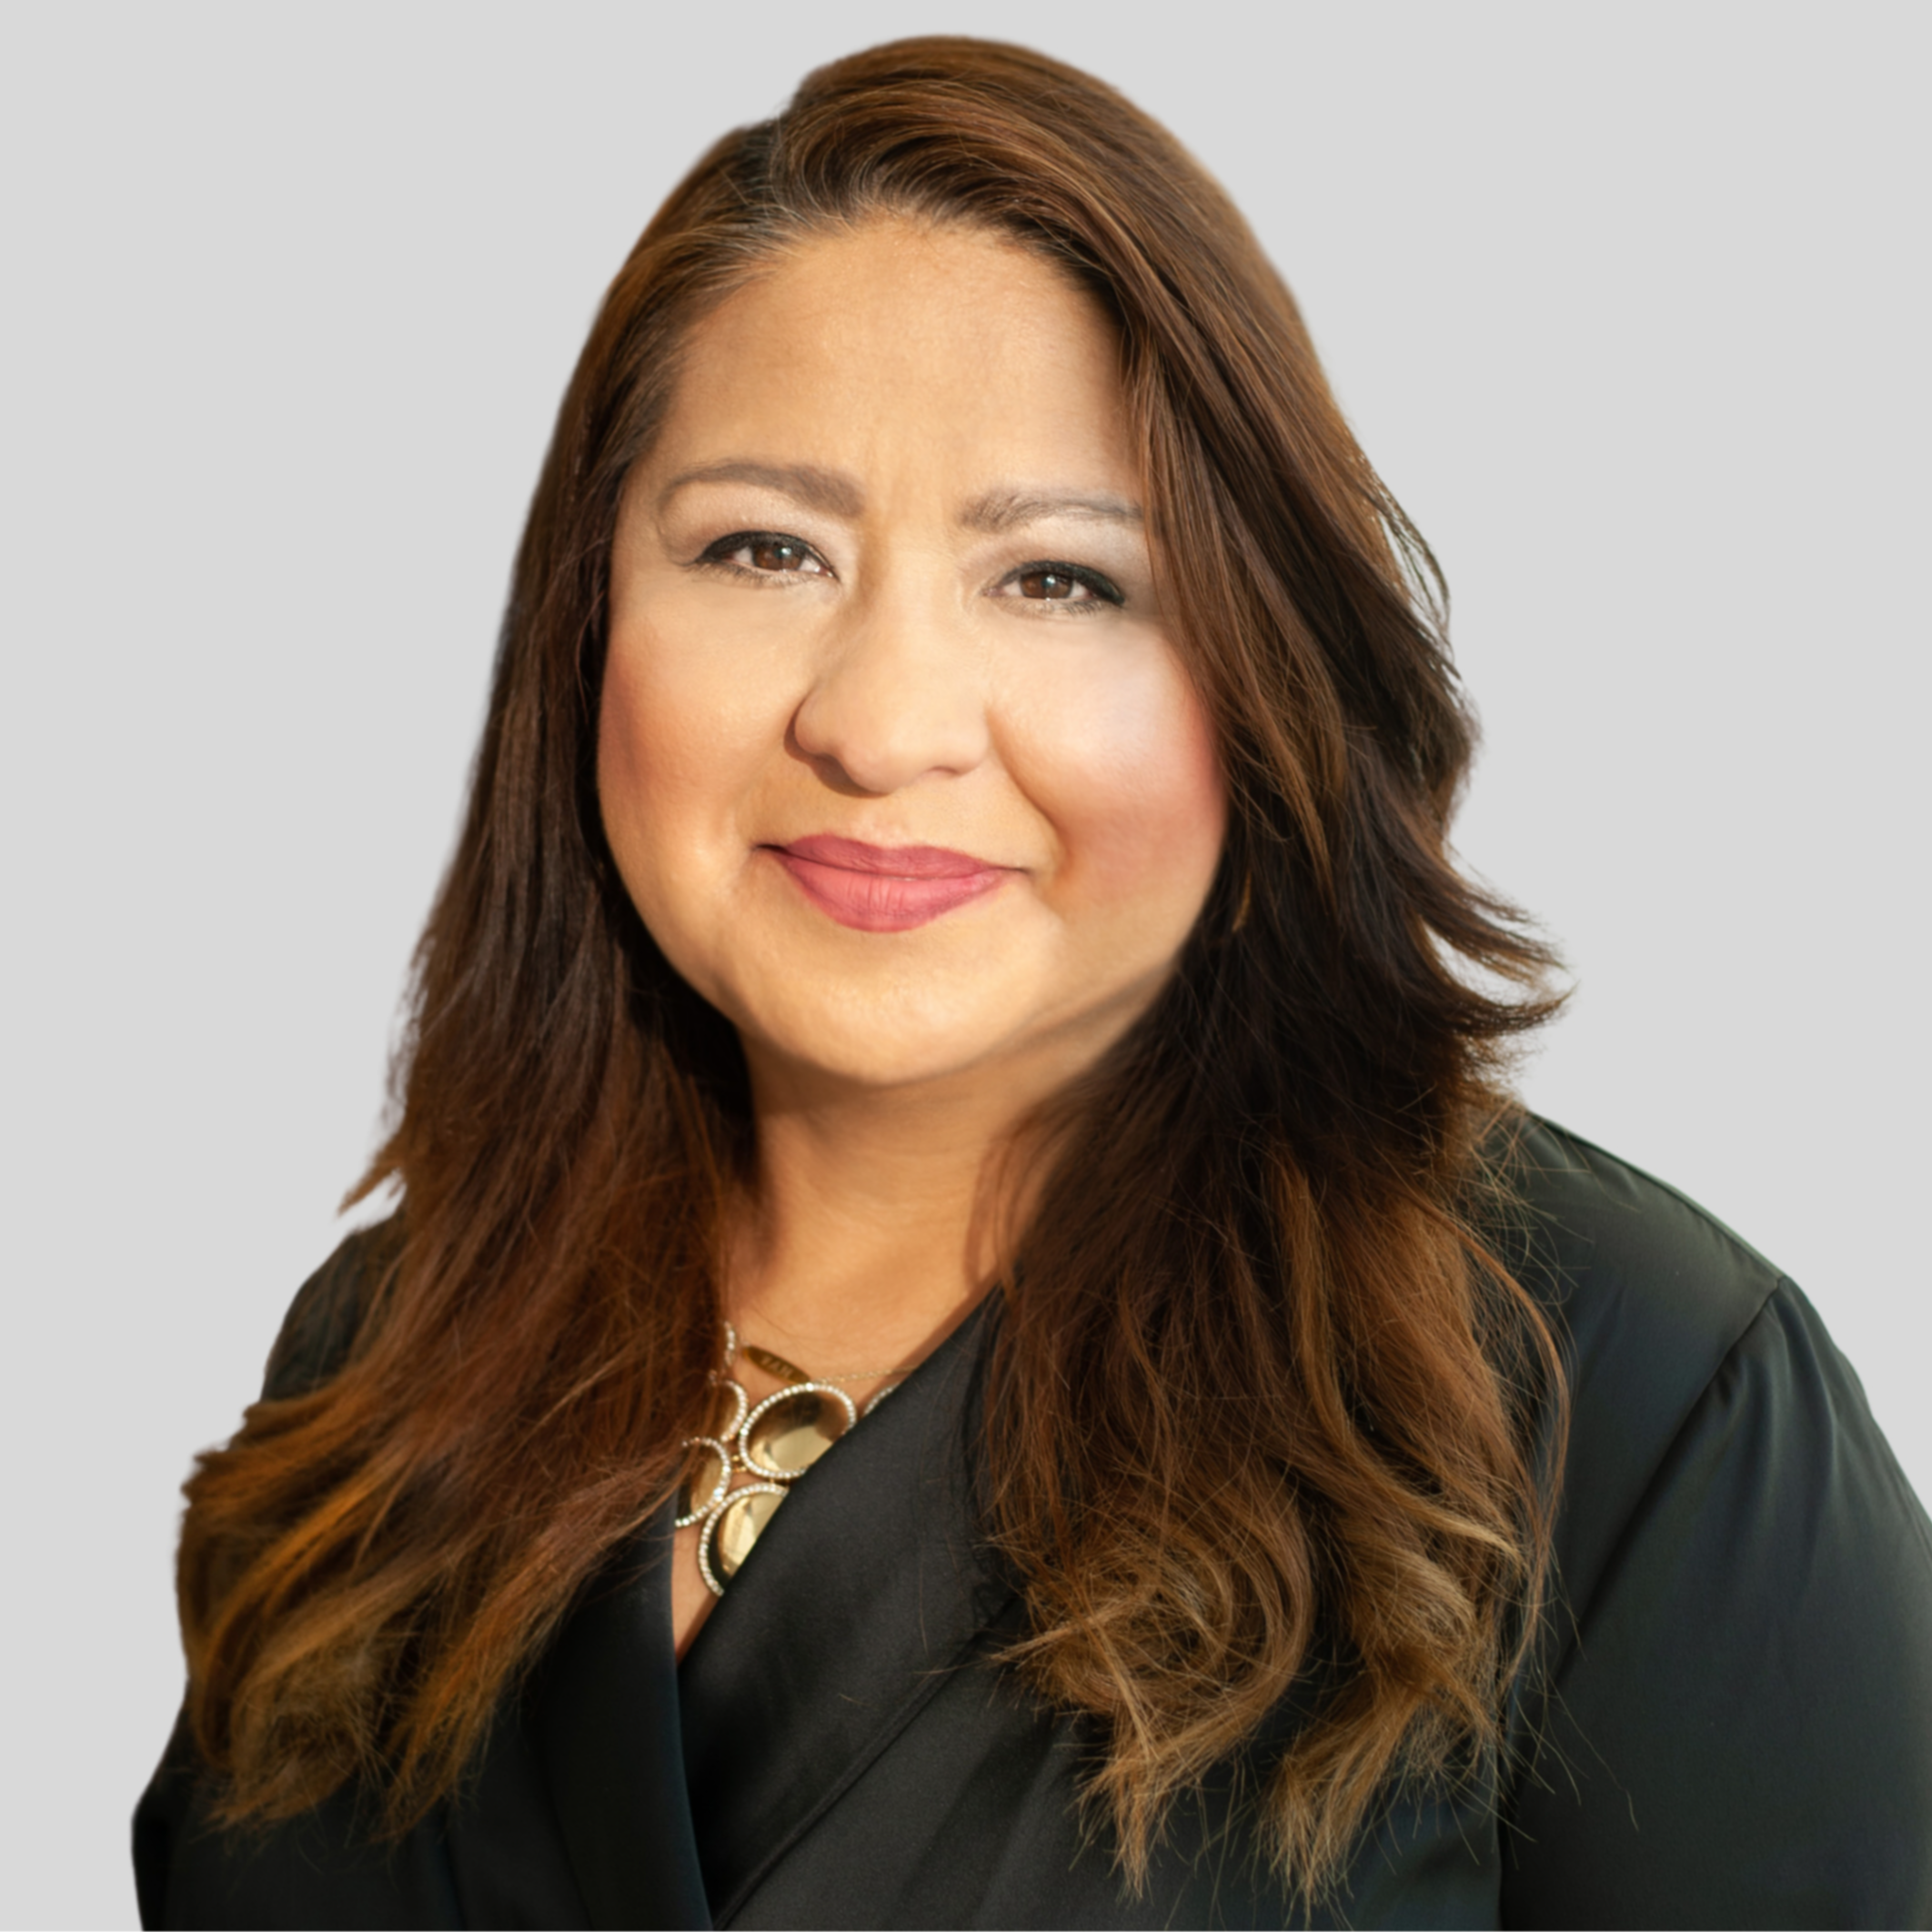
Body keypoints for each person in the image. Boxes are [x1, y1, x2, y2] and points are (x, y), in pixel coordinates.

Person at [133, 36, 1932, 1931]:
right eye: (762, 548)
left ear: (1264, 671)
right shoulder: (387, 1352)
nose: (886, 722)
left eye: (1062, 580)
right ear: (588, 630)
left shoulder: (1624, 1395)